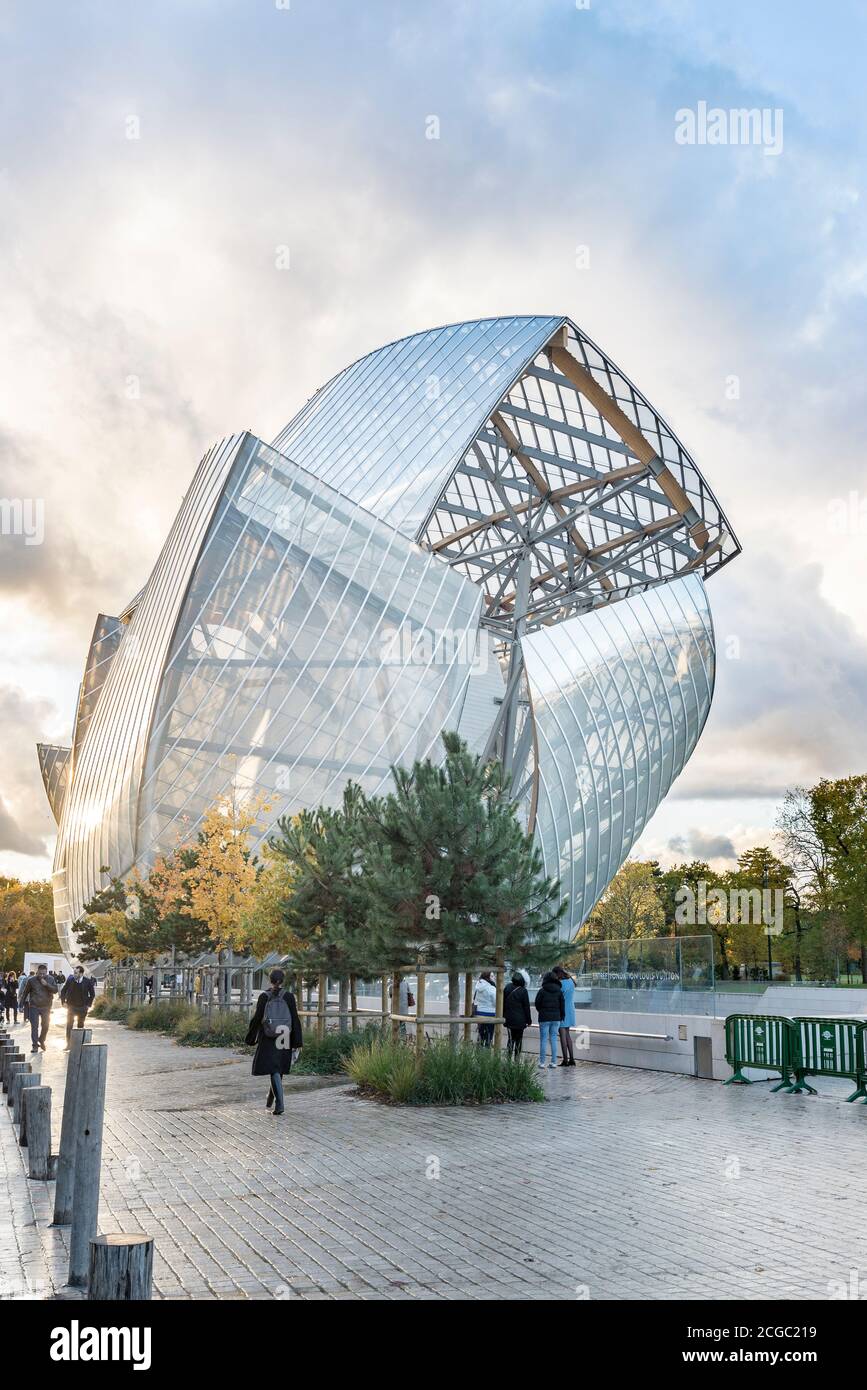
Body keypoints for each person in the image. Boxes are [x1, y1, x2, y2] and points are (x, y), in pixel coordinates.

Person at [244, 968, 303, 1116]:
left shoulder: (264, 996)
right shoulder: (289, 996)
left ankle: (280, 1104)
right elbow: (295, 1019)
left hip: (268, 1036)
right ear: (282, 981)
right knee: (278, 1067)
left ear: (270, 980)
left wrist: (251, 1037)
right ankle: (270, 1099)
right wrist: (297, 1041)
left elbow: (257, 1018)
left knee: (274, 1068)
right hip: (284, 1035)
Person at [19, 963, 58, 1054]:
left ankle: (41, 1040)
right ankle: (35, 1045)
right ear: (37, 972)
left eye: (43, 974)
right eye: (40, 974)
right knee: (34, 1026)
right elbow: (25, 993)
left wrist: (47, 984)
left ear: (46, 972)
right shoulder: (31, 980)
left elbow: (55, 990)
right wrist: (20, 1005)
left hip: (46, 1006)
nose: (41, 975)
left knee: (46, 1026)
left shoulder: (51, 979)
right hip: (34, 1006)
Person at [534, 970, 564, 1070]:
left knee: (543, 1040)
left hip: (544, 1018)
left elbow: (537, 1004)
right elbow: (562, 1005)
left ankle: (542, 1062)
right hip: (556, 1018)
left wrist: (542, 1011)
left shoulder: (542, 990)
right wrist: (561, 1016)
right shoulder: (559, 991)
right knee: (554, 1039)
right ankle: (554, 1062)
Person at [60, 965, 95, 1048]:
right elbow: (63, 991)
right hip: (71, 1006)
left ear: (81, 973)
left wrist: (88, 1005)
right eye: (74, 973)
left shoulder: (87, 981)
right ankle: (68, 1044)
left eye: (76, 973)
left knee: (80, 1026)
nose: (74, 974)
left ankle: (78, 1045)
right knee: (69, 1025)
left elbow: (92, 994)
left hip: (82, 1007)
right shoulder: (70, 980)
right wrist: (63, 1002)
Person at [502, 970, 531, 1057]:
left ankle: (508, 1059)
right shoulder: (523, 991)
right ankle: (516, 1061)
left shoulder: (507, 987)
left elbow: (502, 1003)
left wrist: (503, 1016)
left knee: (510, 1039)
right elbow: (526, 1007)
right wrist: (528, 1020)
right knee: (519, 1040)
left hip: (509, 1019)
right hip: (520, 1021)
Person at [554, 965, 578, 1066]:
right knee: (567, 1034)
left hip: (562, 1010)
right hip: (570, 1009)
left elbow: (557, 998)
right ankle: (572, 1059)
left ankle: (565, 1060)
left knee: (562, 1035)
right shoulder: (571, 981)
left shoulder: (560, 984)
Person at [472, 971, 497, 1047]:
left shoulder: (478, 986)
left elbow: (475, 999)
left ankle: (478, 1053)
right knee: (488, 1036)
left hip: (478, 1013)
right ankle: (486, 1055)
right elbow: (496, 1002)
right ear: (487, 977)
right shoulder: (491, 988)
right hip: (490, 1014)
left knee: (480, 1034)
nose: (494, 978)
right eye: (492, 976)